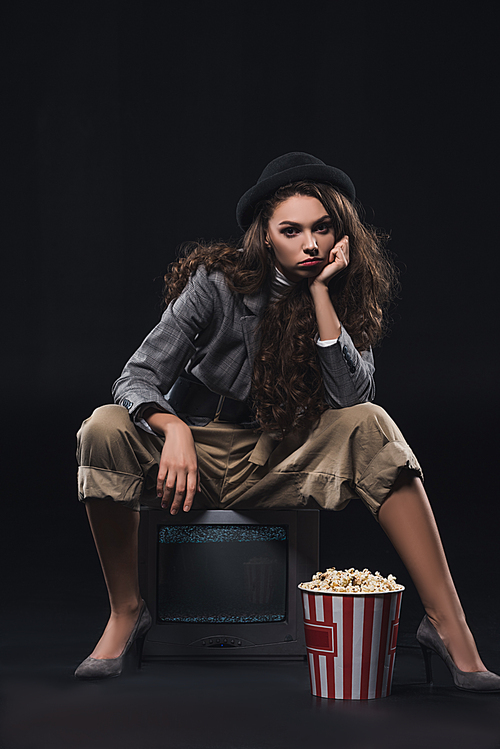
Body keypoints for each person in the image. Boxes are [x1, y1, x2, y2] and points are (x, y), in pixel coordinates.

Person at [75, 152, 500, 691]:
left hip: (280, 459)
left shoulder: (344, 291)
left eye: (322, 228)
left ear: (340, 233)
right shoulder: (216, 283)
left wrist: (322, 292)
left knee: (372, 423)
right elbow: (135, 377)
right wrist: (175, 428)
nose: (311, 244)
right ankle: (125, 613)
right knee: (103, 426)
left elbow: (352, 397)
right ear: (265, 236)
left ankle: (448, 625)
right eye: (292, 230)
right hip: (193, 455)